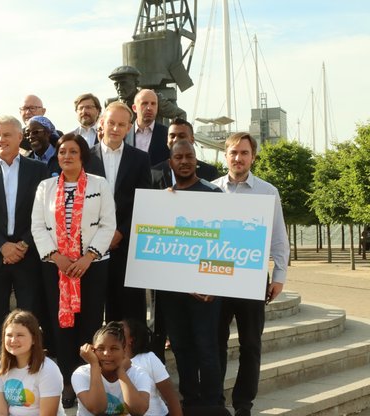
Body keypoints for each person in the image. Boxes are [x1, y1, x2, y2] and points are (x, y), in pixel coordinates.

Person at [31, 132, 116, 408]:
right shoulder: (46, 187)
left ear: (82, 157)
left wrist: (87, 258)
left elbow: (107, 225)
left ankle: (89, 379)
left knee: (90, 323)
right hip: (57, 268)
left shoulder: (99, 184)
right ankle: (68, 381)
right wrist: (58, 258)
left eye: (72, 152)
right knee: (61, 326)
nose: (66, 156)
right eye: (62, 152)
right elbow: (38, 227)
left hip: (91, 266)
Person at [211, 132, 290, 416]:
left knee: (251, 344)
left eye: (244, 153)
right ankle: (215, 400)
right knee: (215, 342)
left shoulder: (268, 192)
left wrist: (279, 276)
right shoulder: (212, 189)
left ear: (253, 157)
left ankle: (244, 403)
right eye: (233, 152)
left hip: (253, 276)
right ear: (225, 156)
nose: (238, 158)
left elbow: (279, 237)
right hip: (217, 277)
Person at [0, 115, 49, 358]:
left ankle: (30, 366)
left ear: (19, 137)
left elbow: (43, 212)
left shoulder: (39, 170)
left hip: (28, 256)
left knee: (29, 317)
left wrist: (23, 243)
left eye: (6, 135)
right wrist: (3, 246)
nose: (0, 140)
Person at [158, 139, 225, 411]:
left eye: (189, 156)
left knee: (207, 349)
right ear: (170, 162)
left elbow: (223, 241)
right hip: (172, 291)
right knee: (182, 349)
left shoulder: (213, 193)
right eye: (178, 157)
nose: (184, 161)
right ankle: (191, 403)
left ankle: (213, 406)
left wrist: (213, 283)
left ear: (196, 160)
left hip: (204, 291)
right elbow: (160, 245)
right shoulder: (163, 197)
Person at [85, 102, 153, 323]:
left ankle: (135, 353)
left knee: (131, 307)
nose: (115, 128)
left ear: (129, 128)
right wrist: (102, 235)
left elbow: (142, 202)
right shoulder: (85, 158)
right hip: (92, 245)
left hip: (127, 243)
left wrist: (121, 232)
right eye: (111, 123)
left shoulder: (140, 159)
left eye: (121, 124)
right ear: (102, 124)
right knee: (95, 306)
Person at [0, 310, 65, 416]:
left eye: (20, 335)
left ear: (34, 339)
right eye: (9, 335)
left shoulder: (48, 369)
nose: (13, 340)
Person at [72, 322, 151, 416]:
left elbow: (139, 411)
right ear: (92, 350)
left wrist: (121, 372)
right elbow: (98, 409)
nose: (107, 353)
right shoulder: (81, 374)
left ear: (124, 351)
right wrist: (94, 364)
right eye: (100, 348)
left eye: (114, 348)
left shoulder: (138, 374)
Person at [122, 319, 183, 416]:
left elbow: (171, 397)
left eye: (120, 329)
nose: (114, 330)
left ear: (131, 339)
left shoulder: (149, 358)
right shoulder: (106, 362)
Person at [151, 119, 220, 188]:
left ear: (192, 139)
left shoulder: (209, 172)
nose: (175, 140)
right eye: (172, 136)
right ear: (167, 140)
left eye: (181, 136)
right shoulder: (153, 173)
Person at [125, 89, 171, 167]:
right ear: (134, 108)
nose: (149, 108)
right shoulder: (124, 136)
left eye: (153, 104)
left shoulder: (167, 135)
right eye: (144, 103)